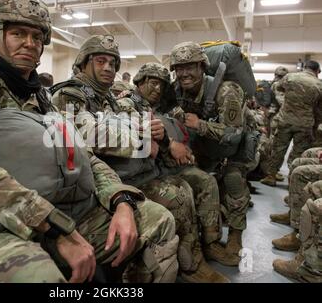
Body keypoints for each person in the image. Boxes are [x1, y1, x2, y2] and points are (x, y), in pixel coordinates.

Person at [0, 0, 179, 283]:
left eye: (37, 36)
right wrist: (52, 225)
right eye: (18, 33)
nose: (29, 43)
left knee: (157, 221)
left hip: (57, 213)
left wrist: (120, 200)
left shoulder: (42, 100)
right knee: (37, 276)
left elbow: (85, 158)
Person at [51, 36, 231, 282]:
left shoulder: (107, 99)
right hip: (90, 188)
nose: (108, 68)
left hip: (116, 177)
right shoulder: (69, 94)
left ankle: (192, 259)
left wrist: (152, 133)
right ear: (83, 63)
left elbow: (127, 124)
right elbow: (85, 135)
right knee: (178, 193)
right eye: (100, 61)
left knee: (185, 188)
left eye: (113, 63)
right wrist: (144, 141)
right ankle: (184, 266)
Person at [167, 41, 251, 257]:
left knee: (233, 180)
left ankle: (236, 234)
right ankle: (206, 227)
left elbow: (234, 134)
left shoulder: (226, 91)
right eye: (179, 68)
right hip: (205, 145)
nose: (184, 73)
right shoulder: (177, 91)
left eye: (190, 67)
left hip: (235, 145)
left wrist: (200, 125)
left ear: (202, 67)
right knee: (194, 178)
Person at [261, 60, 322, 187]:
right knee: (298, 152)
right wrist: (315, 126)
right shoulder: (319, 84)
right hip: (305, 123)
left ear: (304, 67)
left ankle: (271, 175)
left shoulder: (290, 77)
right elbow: (319, 110)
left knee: (278, 148)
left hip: (285, 119)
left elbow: (277, 87)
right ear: (317, 71)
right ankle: (292, 180)